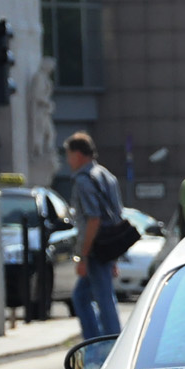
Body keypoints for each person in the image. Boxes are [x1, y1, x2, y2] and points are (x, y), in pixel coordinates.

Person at [64, 131, 124, 339]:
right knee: (82, 296)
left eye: (69, 154)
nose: (68, 160)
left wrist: (84, 255)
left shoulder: (83, 180)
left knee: (103, 300)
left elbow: (93, 219)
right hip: (108, 245)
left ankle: (106, 347)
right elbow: (116, 215)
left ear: (79, 154)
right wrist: (114, 256)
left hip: (96, 248)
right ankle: (99, 343)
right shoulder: (107, 176)